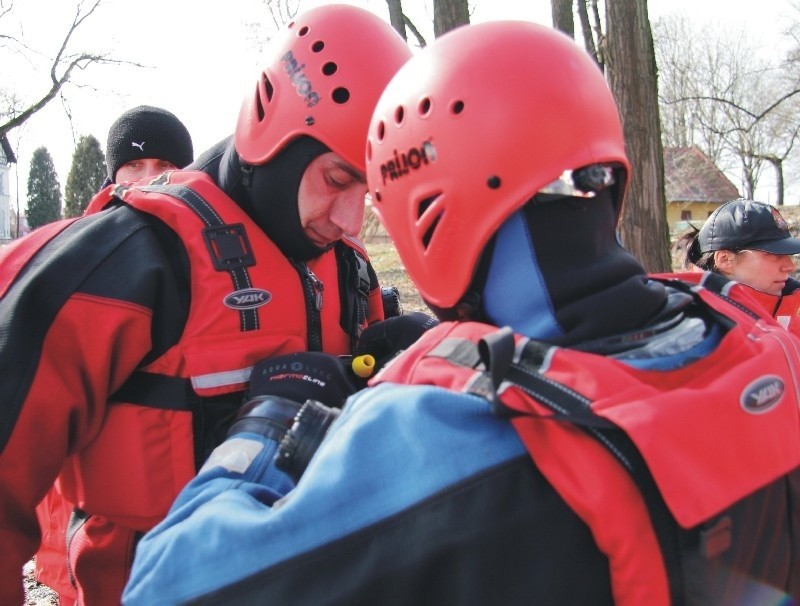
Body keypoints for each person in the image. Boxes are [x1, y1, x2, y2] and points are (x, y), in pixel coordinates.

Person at [123, 19, 800, 606]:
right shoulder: (763, 341)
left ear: (425, 204)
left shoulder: (443, 429)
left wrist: (271, 421)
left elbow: (162, 584)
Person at [0, 5, 412, 605]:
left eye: (368, 192)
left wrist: (395, 381)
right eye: (337, 178)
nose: (351, 220)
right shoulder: (127, 262)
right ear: (276, 133)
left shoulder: (351, 269)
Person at [32, 103, 195, 605]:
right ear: (112, 176)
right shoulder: (75, 260)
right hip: (83, 531)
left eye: (165, 169)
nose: (149, 180)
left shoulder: (207, 257)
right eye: (134, 167)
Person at [678, 198, 800, 333]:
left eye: (788, 254)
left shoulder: (791, 324)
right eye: (775, 255)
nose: (790, 266)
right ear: (725, 260)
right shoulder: (694, 332)